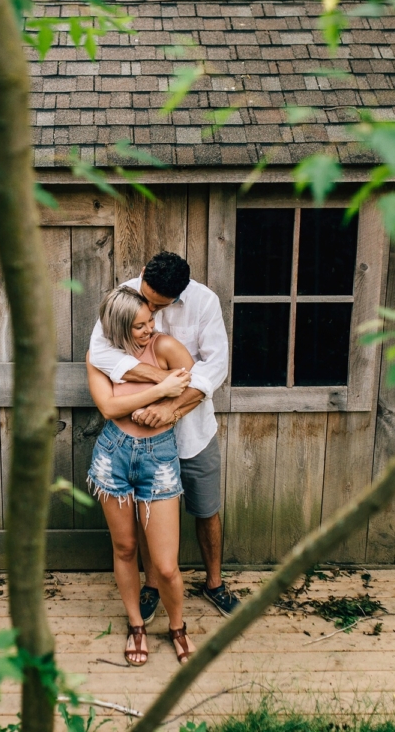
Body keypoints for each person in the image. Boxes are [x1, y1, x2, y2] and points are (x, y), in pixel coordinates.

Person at [87, 251, 239, 622]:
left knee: (206, 507)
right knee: (147, 516)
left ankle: (214, 583)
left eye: (159, 307)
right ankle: (152, 588)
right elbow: (101, 354)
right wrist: (161, 381)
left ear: (179, 294)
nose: (151, 314)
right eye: (148, 302)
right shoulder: (124, 297)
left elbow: (215, 365)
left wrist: (173, 407)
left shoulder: (204, 302)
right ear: (142, 275)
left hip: (193, 429)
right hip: (140, 439)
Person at [86, 286, 197, 667]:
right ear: (118, 328)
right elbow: (108, 407)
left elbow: (193, 387)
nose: (149, 329)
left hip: (159, 459)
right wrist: (160, 387)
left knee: (165, 565)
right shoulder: (99, 357)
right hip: (112, 456)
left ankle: (178, 627)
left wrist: (167, 397)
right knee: (125, 549)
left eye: (150, 321)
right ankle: (137, 625)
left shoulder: (164, 347)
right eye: (139, 326)